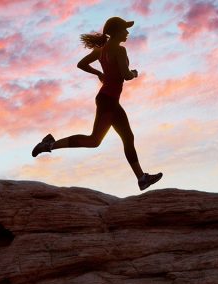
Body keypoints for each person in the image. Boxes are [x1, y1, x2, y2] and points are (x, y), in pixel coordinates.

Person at [32, 17, 163, 191]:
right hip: (108, 101)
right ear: (116, 32)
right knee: (94, 140)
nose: (127, 32)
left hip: (109, 100)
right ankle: (49, 144)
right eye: (125, 29)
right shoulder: (119, 50)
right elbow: (126, 75)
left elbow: (82, 64)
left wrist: (99, 74)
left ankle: (141, 178)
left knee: (127, 137)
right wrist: (134, 73)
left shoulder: (100, 50)